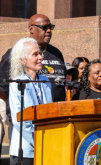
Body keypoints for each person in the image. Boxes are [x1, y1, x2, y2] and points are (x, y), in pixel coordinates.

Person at [0, 14, 66, 141]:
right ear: (31, 29)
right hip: (24, 124)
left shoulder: (56, 53)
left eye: (51, 27)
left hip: (52, 121)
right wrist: (9, 113)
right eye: (44, 27)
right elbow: (2, 87)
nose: (49, 31)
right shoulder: (15, 53)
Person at [9, 37, 52, 165]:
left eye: (40, 53)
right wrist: (37, 141)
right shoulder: (17, 83)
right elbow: (19, 120)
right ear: (23, 60)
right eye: (35, 54)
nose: (40, 57)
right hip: (25, 149)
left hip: (46, 145)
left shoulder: (46, 81)